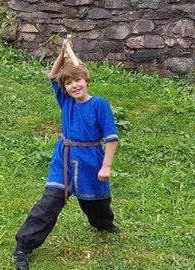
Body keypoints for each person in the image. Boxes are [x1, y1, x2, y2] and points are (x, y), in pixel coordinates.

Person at [13, 40, 120, 270]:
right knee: (49, 203)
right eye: (69, 83)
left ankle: (104, 224)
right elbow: (53, 75)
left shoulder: (100, 104)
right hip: (64, 158)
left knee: (97, 202)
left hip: (91, 160)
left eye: (77, 80)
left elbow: (111, 138)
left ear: (86, 80)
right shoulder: (66, 101)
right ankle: (23, 247)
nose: (74, 86)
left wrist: (106, 166)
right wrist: (62, 53)